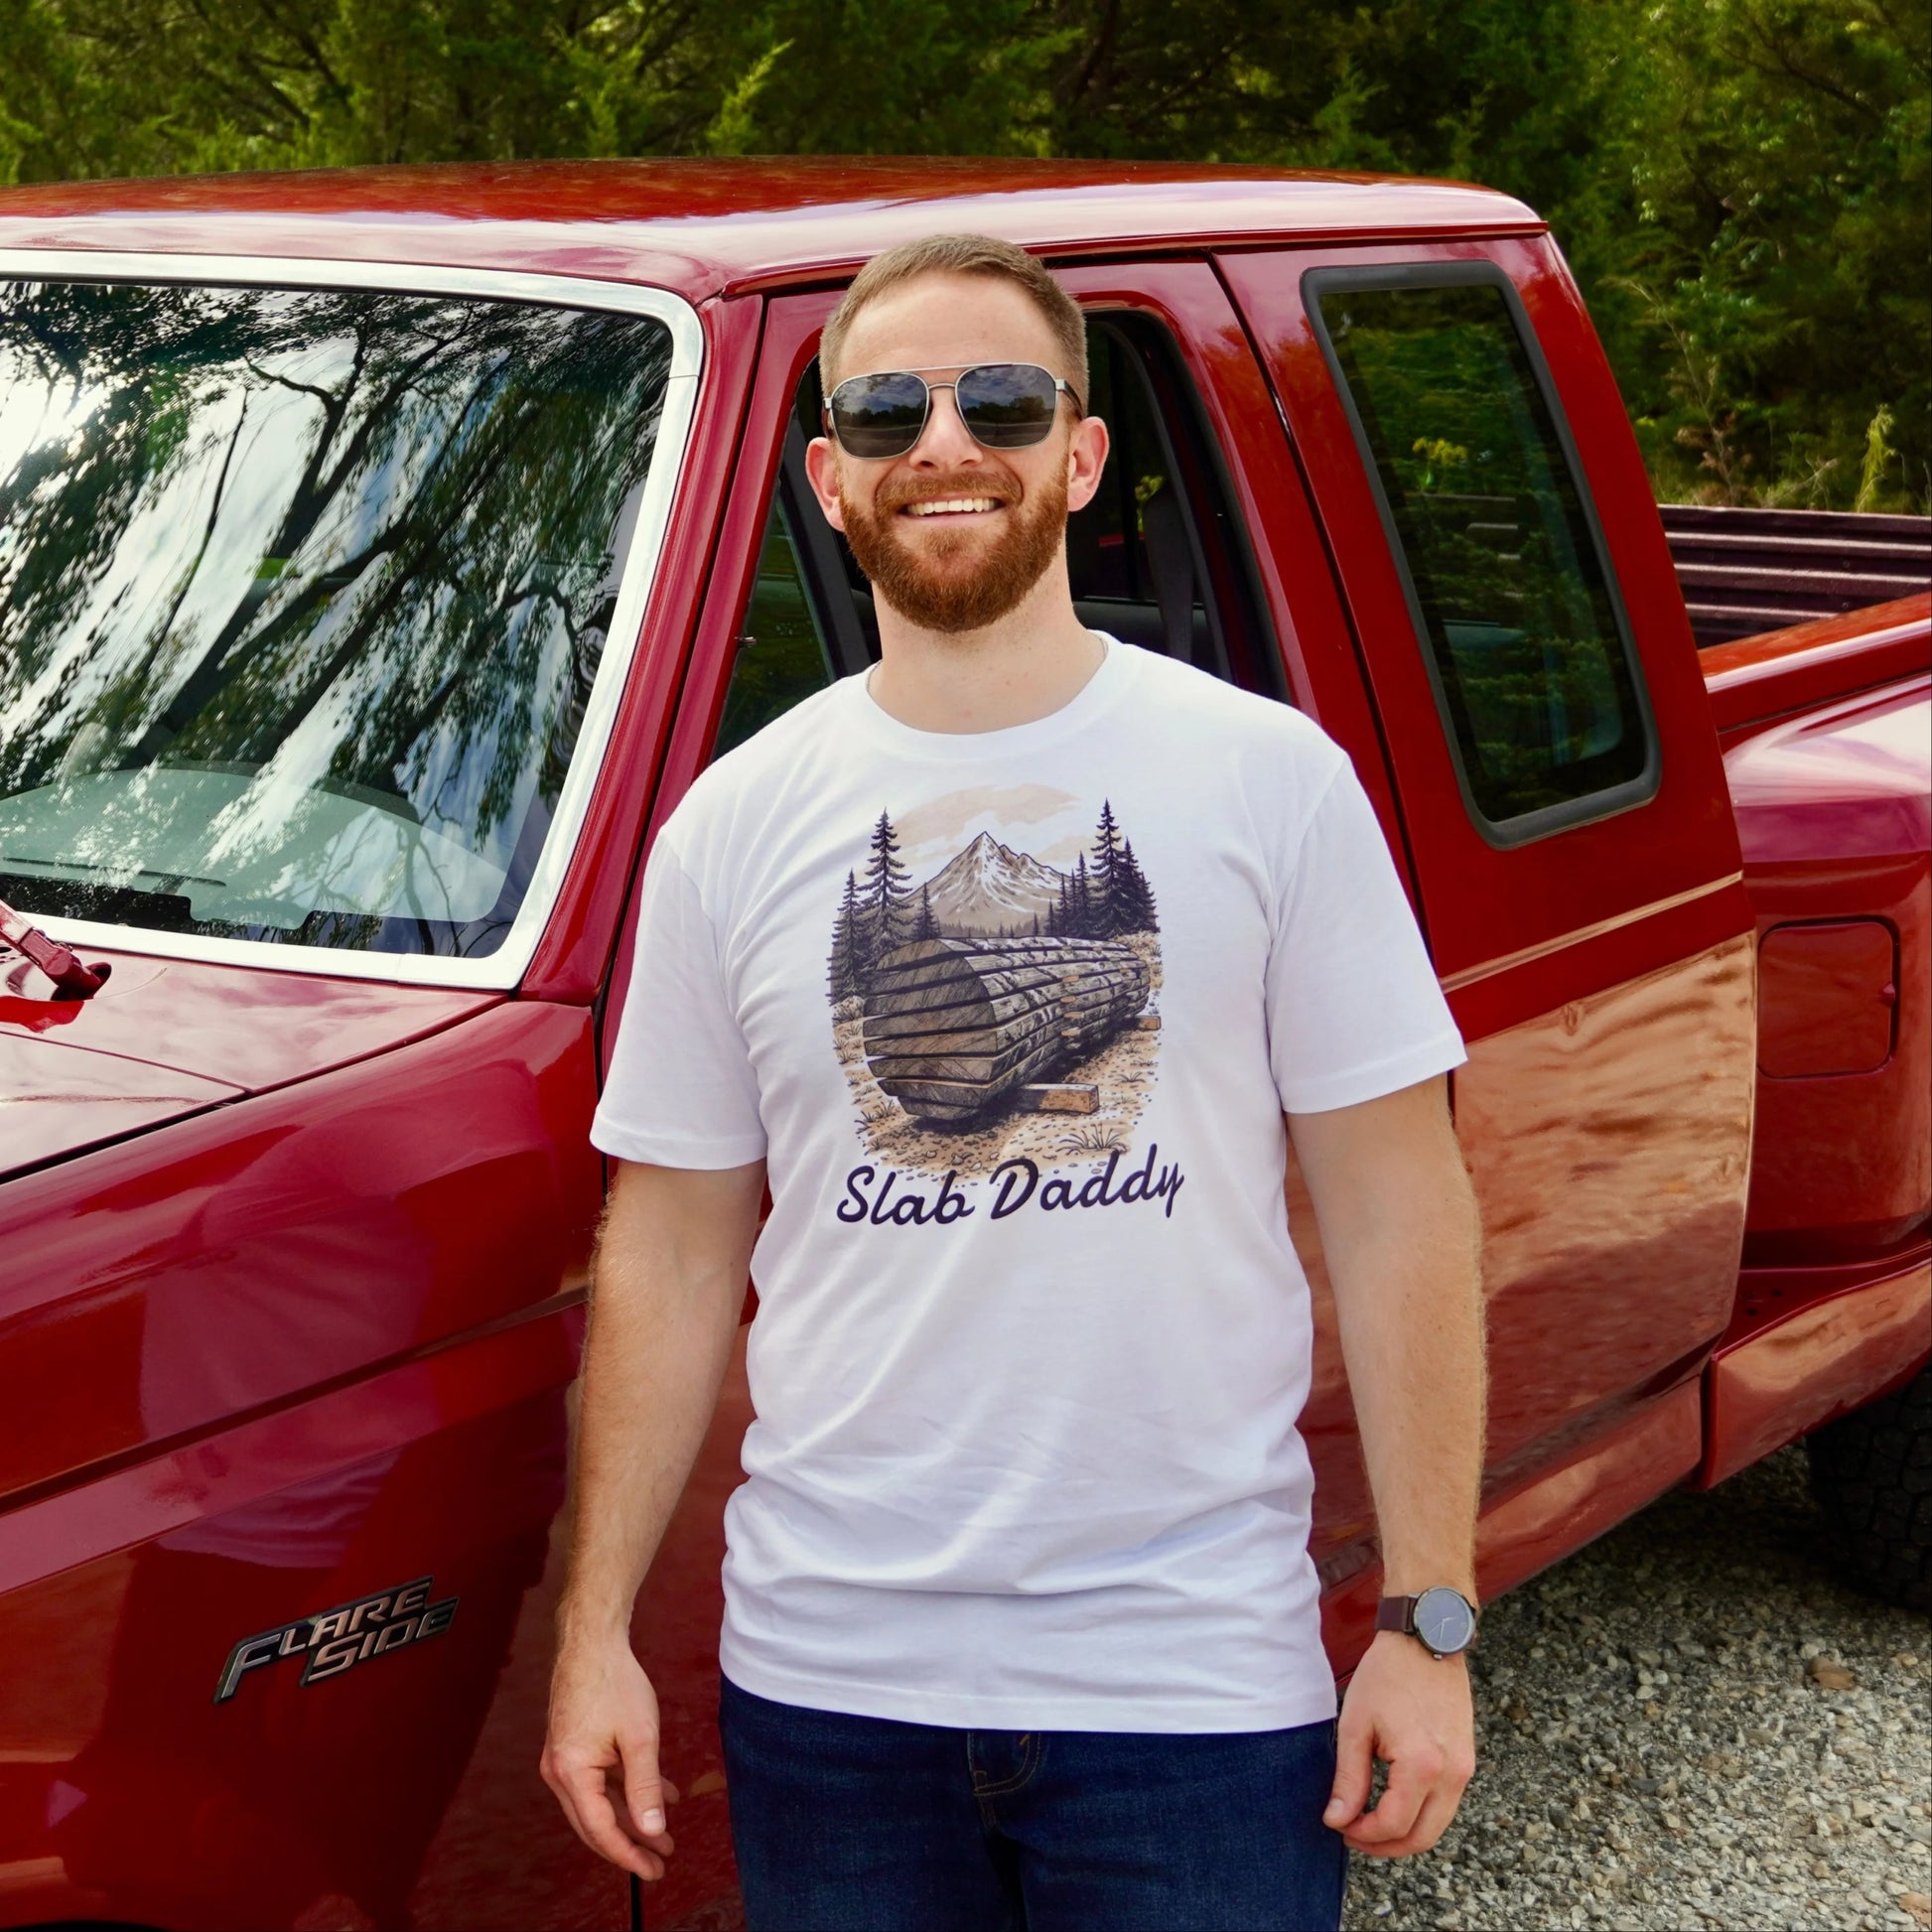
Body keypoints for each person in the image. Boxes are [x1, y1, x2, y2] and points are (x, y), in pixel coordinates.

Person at [542, 231, 1485, 1932]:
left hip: (1192, 1684)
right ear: (829, 478)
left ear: (1081, 451)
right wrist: (593, 1629)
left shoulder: (1266, 783)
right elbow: (672, 1247)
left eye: (998, 399)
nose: (944, 444)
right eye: (889, 409)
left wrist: (1425, 1619)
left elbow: (1398, 1207)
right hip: (829, 1689)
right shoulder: (732, 829)